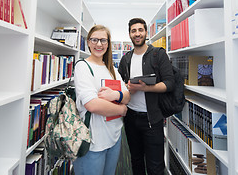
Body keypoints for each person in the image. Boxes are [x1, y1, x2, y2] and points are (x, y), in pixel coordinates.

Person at [118, 18, 175, 175]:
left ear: (146, 33)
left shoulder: (158, 54)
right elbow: (122, 85)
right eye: (133, 31)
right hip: (130, 118)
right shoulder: (126, 59)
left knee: (155, 165)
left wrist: (147, 88)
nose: (137, 34)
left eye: (140, 30)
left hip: (152, 119)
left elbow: (170, 84)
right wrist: (128, 88)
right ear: (129, 34)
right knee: (136, 160)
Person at [73, 24, 131, 175]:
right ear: (88, 42)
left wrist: (115, 95)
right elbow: (92, 105)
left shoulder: (111, 69)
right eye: (95, 40)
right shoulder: (83, 67)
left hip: (114, 137)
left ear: (108, 43)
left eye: (103, 40)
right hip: (92, 141)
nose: (99, 44)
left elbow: (127, 95)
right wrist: (121, 109)